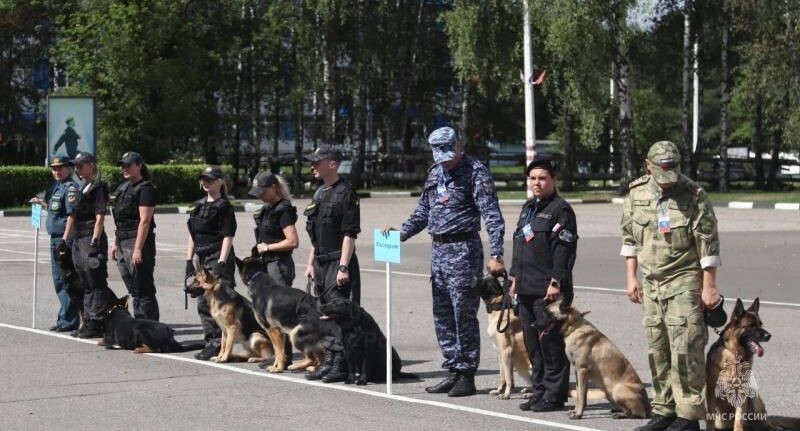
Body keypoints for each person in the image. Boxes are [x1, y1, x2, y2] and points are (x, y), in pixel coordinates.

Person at [385, 126, 505, 398]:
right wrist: (400, 234)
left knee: (463, 313)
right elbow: (424, 211)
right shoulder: (435, 172)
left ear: (459, 146)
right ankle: (452, 368)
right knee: (442, 315)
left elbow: (492, 215)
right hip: (438, 251)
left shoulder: (476, 172)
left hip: (463, 249)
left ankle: (467, 374)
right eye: (439, 154)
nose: (445, 159)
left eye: (449, 153)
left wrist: (496, 254)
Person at [621, 141, 721, 431]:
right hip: (651, 284)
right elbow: (629, 238)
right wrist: (631, 277)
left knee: (687, 348)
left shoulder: (694, 195)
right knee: (658, 348)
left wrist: (709, 287)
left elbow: (708, 245)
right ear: (648, 166)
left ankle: (688, 416)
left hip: (685, 281)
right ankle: (665, 410)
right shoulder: (636, 193)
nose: (668, 180)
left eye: (673, 171)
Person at [509, 158, 578, 413]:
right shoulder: (528, 208)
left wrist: (556, 282)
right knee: (533, 346)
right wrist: (514, 277)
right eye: (533, 178)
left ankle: (554, 395)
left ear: (553, 180)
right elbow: (520, 247)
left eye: (542, 178)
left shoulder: (560, 210)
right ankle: (539, 392)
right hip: (526, 288)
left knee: (551, 345)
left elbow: (564, 250)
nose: (537, 183)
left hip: (548, 290)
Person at [302, 144, 361, 383]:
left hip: (338, 260)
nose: (313, 166)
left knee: (339, 315)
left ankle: (342, 363)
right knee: (324, 312)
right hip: (321, 262)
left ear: (332, 164)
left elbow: (350, 234)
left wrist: (344, 266)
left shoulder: (347, 192)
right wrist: (310, 264)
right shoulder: (319, 193)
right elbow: (315, 235)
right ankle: (331, 361)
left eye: (317, 161)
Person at [184, 165, 238, 361]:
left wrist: (222, 261)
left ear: (220, 182)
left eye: (210, 180)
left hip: (217, 255)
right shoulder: (198, 205)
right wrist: (189, 260)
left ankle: (219, 343)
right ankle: (210, 341)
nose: (206, 183)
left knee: (219, 302)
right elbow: (192, 234)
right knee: (202, 301)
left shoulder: (224, 206)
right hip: (201, 257)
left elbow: (228, 236)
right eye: (204, 179)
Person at [63, 151, 117, 338]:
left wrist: (95, 240)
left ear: (91, 165)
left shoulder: (99, 187)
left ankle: (98, 321)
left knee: (95, 281)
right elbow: (74, 216)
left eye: (81, 165)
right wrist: (65, 240)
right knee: (84, 281)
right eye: (76, 166)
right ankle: (88, 320)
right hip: (79, 237)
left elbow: (100, 216)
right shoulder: (84, 187)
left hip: (89, 236)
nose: (77, 169)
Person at [29, 157, 80, 333]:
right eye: (54, 169)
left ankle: (69, 320)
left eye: (60, 168)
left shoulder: (70, 188)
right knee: (59, 280)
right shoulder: (55, 187)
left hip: (64, 239)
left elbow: (72, 216)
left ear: (69, 169)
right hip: (55, 239)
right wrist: (40, 203)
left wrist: (65, 241)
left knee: (66, 279)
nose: (56, 172)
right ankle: (65, 318)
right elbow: (54, 210)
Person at [110, 151, 159, 321]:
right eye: (122, 165)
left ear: (139, 165)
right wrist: (115, 243)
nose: (124, 168)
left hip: (137, 241)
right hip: (123, 240)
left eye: (128, 165)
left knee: (144, 288)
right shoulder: (122, 189)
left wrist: (138, 249)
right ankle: (140, 326)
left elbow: (145, 221)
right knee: (134, 290)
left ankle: (151, 328)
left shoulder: (146, 189)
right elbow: (119, 219)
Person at [248, 172, 299, 287]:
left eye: (263, 192)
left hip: (278, 265)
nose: (260, 196)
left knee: (279, 303)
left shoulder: (283, 209)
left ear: (273, 188)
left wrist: (267, 247)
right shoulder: (266, 208)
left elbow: (293, 241)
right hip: (266, 263)